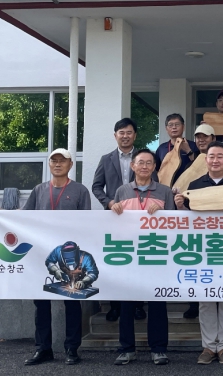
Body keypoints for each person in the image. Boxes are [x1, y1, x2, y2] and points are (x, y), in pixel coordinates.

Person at [0, 149, 91, 366]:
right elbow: (24, 217)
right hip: (41, 255)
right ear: (49, 164)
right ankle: (43, 349)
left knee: (72, 302)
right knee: (41, 303)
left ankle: (72, 349)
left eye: (62, 161)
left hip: (69, 257)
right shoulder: (39, 189)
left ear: (70, 165)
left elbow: (87, 223)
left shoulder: (80, 190)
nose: (57, 164)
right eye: (54, 161)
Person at [174, 142, 223, 365]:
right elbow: (188, 219)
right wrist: (180, 207)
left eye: (220, 156)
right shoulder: (195, 185)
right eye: (211, 156)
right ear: (205, 159)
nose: (215, 160)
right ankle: (209, 346)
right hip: (204, 249)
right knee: (206, 298)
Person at [109, 149, 178, 365]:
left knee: (157, 303)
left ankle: (158, 349)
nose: (145, 166)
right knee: (127, 304)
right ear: (133, 166)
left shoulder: (165, 192)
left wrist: (164, 212)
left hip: (156, 254)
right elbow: (114, 225)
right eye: (140, 162)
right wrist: (114, 208)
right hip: (129, 255)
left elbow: (175, 222)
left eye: (149, 163)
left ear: (155, 167)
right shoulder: (122, 191)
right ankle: (127, 349)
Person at [91, 118, 143, 322]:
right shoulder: (106, 159)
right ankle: (115, 306)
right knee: (116, 260)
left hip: (139, 218)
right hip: (114, 218)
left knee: (138, 260)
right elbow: (96, 186)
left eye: (129, 132)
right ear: (115, 136)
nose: (125, 136)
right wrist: (109, 202)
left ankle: (138, 305)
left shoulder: (144, 158)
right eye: (121, 133)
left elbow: (153, 183)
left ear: (135, 135)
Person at [181, 123, 217, 320]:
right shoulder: (188, 163)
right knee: (196, 265)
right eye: (198, 137)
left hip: (218, 227)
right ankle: (194, 303)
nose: (201, 140)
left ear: (213, 139)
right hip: (195, 225)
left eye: (205, 137)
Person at [155, 113, 199, 184]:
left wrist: (188, 150)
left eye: (177, 124)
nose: (174, 127)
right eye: (170, 125)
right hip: (166, 187)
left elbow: (199, 167)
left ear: (183, 127)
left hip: (189, 185)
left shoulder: (193, 145)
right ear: (166, 129)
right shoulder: (161, 148)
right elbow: (156, 170)